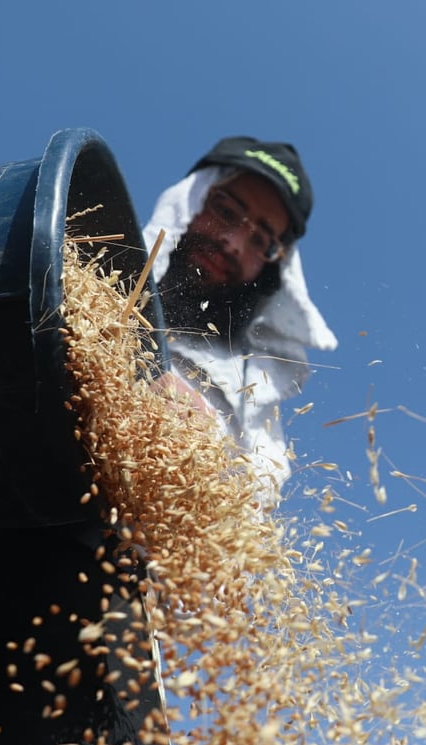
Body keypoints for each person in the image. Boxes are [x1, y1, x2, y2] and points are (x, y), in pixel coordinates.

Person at [142, 137, 338, 505]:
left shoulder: (254, 394)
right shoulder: (89, 276)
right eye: (226, 211)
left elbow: (248, 514)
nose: (233, 244)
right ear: (190, 202)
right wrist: (142, 373)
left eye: (261, 240)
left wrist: (205, 457)